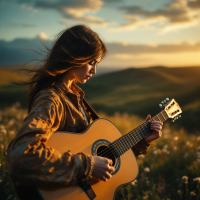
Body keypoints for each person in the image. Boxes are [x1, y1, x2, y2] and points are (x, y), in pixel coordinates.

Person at [7, 24, 163, 199]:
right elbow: (21, 157)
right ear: (74, 55)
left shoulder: (74, 95)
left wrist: (141, 142)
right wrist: (87, 166)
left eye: (96, 64)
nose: (94, 71)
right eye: (91, 62)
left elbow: (97, 156)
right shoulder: (51, 100)